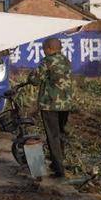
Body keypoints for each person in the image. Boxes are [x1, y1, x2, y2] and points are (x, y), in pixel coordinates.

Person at [27, 38, 76, 178]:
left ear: (49, 48)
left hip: (50, 104)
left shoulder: (47, 61)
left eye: (44, 49)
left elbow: (34, 80)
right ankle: (57, 164)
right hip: (65, 105)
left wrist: (31, 75)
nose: (43, 51)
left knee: (52, 136)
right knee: (60, 134)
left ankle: (59, 170)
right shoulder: (66, 61)